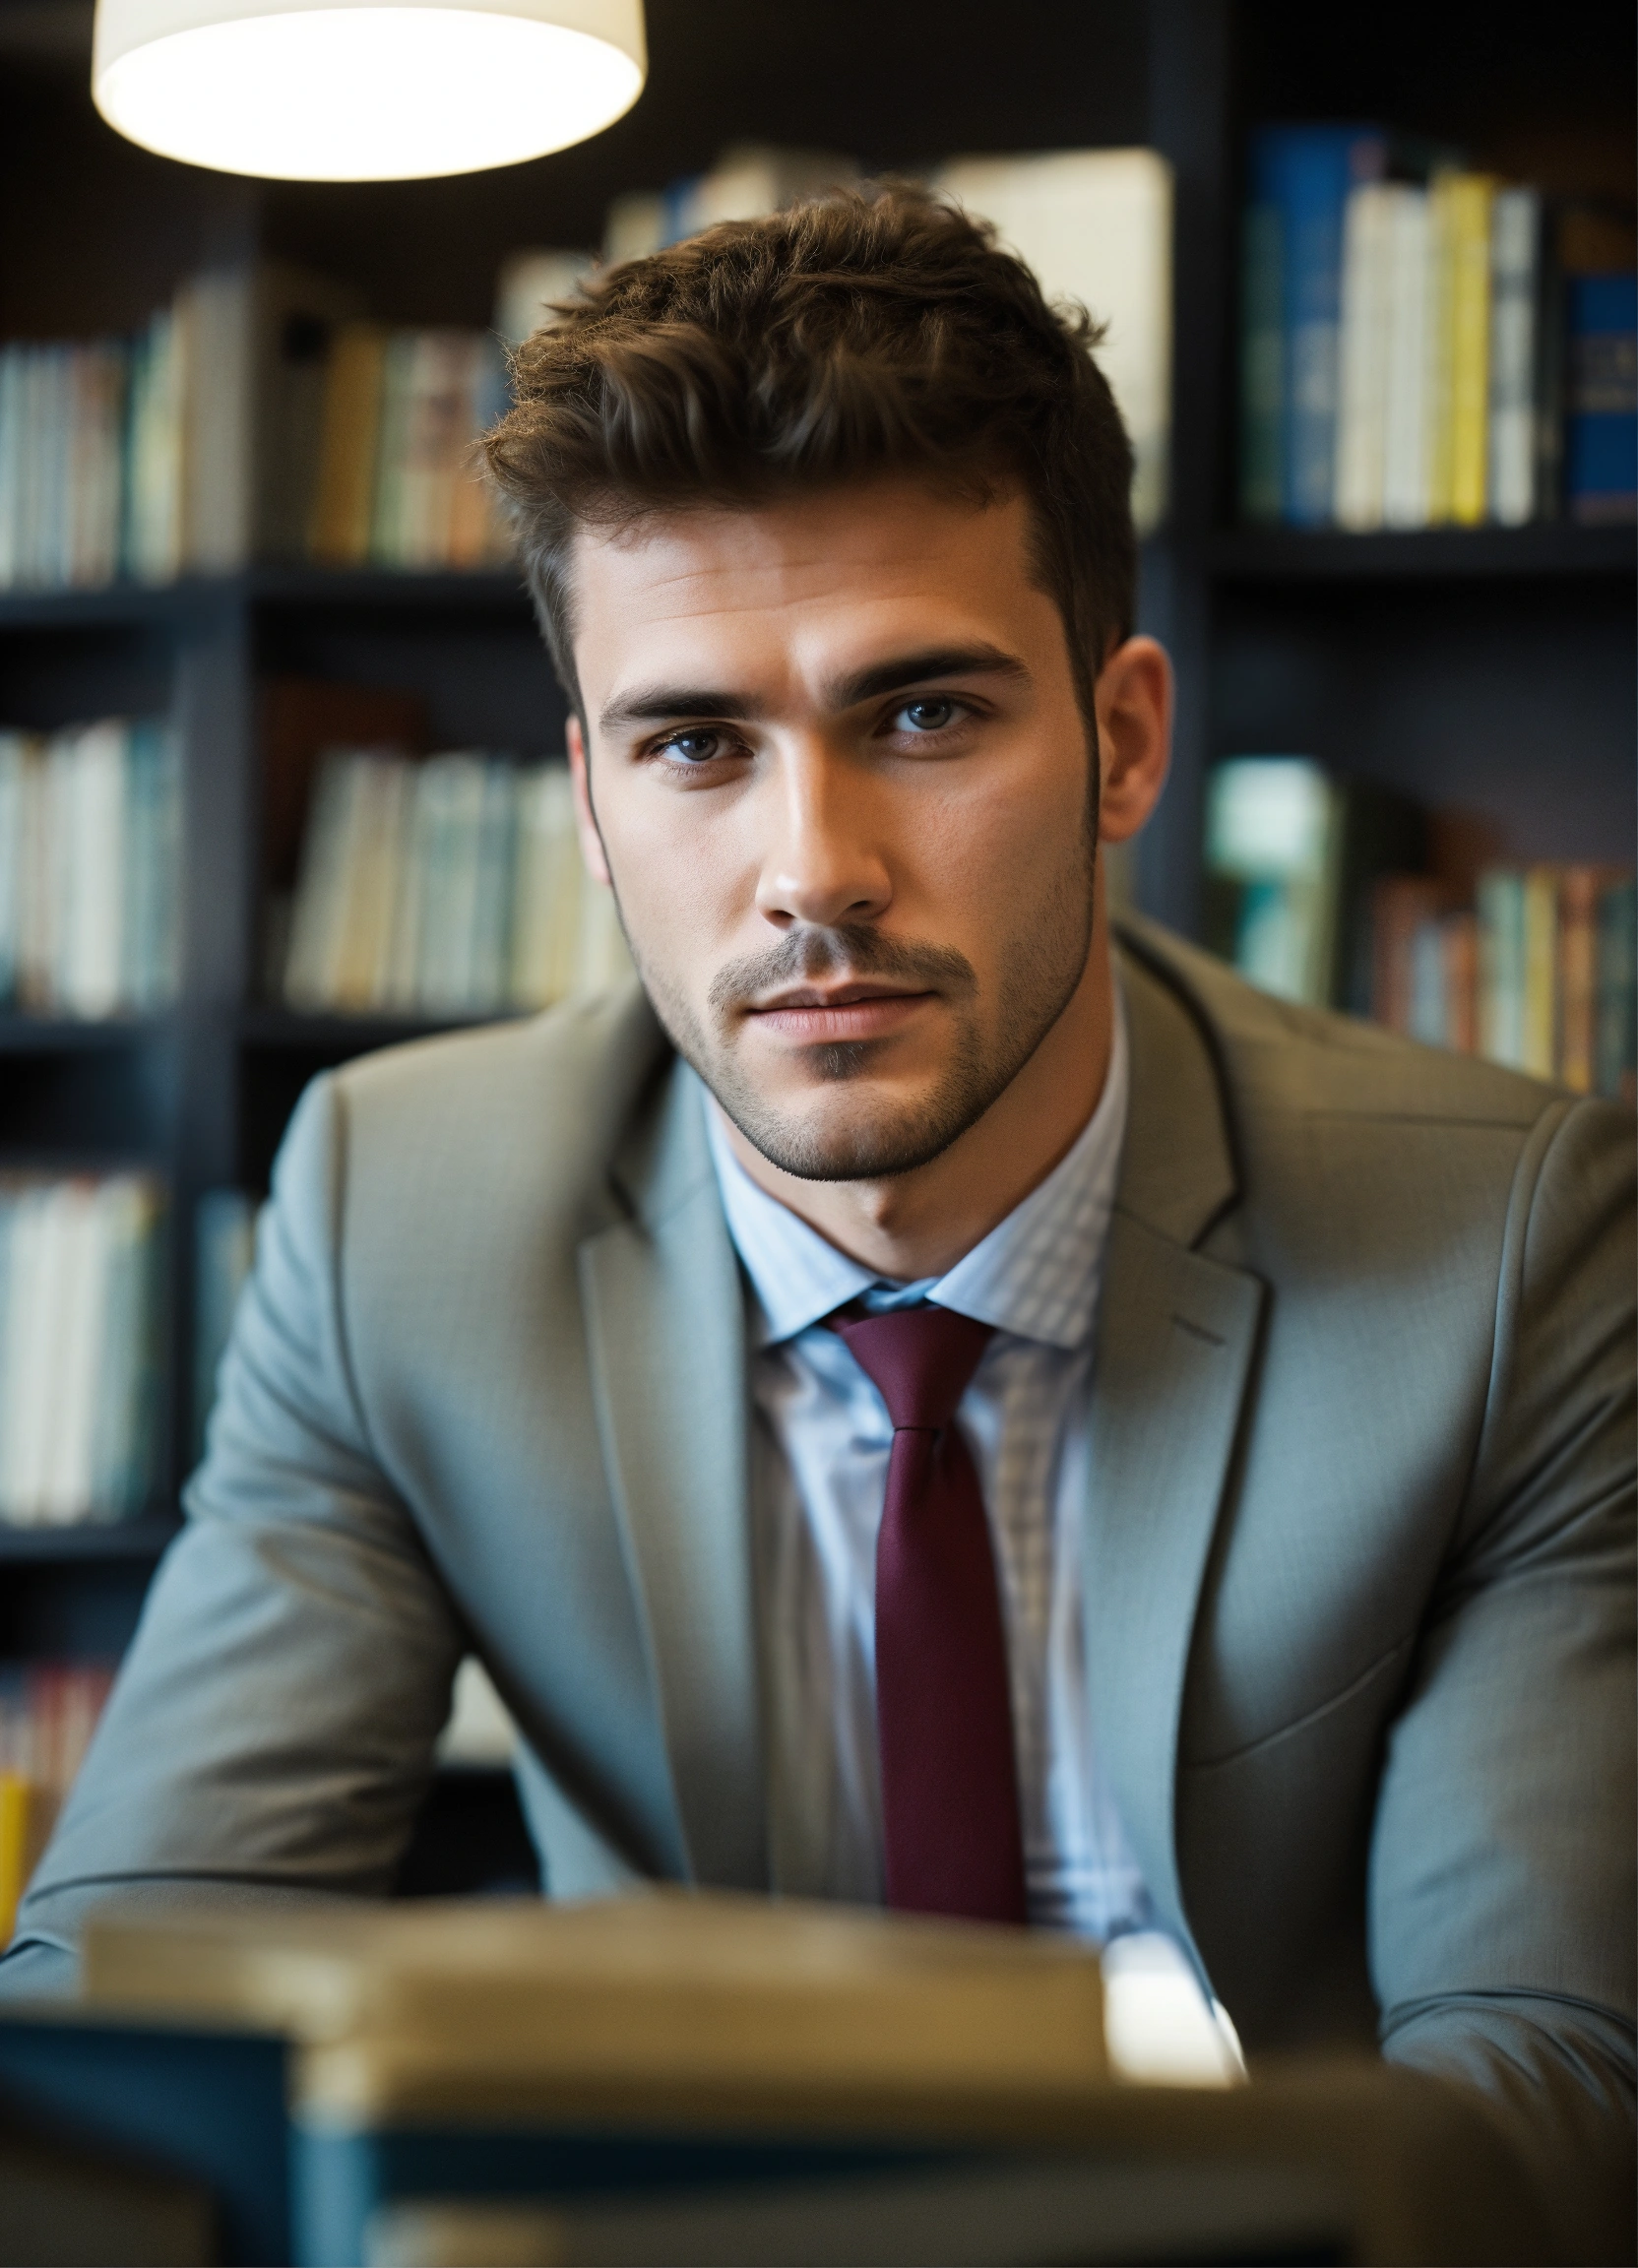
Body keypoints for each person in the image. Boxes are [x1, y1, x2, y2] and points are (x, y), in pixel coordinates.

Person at [3, 188, 1632, 2256]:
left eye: (925, 715)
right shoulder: (390, 1213)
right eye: (698, 744)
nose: (814, 872)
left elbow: (1545, 2086)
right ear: (591, 804)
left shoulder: (1511, 1247)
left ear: (1120, 740)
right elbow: (136, 1991)